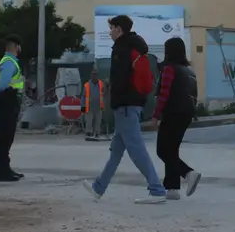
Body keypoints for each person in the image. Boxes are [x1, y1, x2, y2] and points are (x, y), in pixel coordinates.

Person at [83, 15, 167, 204]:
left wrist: (113, 96)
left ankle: (157, 190)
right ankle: (99, 187)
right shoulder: (134, 46)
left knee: (137, 150)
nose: (110, 31)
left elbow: (120, 79)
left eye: (112, 28)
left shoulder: (122, 48)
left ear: (119, 30)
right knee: (116, 151)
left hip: (126, 105)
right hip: (132, 103)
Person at [153, 37, 202, 200]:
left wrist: (155, 115)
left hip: (172, 113)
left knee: (162, 150)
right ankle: (172, 188)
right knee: (172, 149)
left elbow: (164, 94)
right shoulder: (189, 70)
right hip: (186, 114)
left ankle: (188, 173)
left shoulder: (169, 69)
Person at [0, 34, 25, 182]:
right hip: (7, 100)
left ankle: (6, 168)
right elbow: (4, 83)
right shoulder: (10, 62)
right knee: (5, 137)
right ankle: (3, 171)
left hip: (9, 101)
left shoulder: (9, 61)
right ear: (16, 47)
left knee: (7, 137)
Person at [81, 69, 105, 140]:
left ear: (97, 75)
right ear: (91, 75)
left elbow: (104, 93)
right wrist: (83, 108)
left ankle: (97, 133)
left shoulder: (101, 84)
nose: (94, 76)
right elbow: (83, 97)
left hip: (98, 106)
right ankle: (89, 133)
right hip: (89, 107)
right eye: (93, 74)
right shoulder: (87, 85)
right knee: (89, 120)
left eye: (95, 74)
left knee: (98, 121)